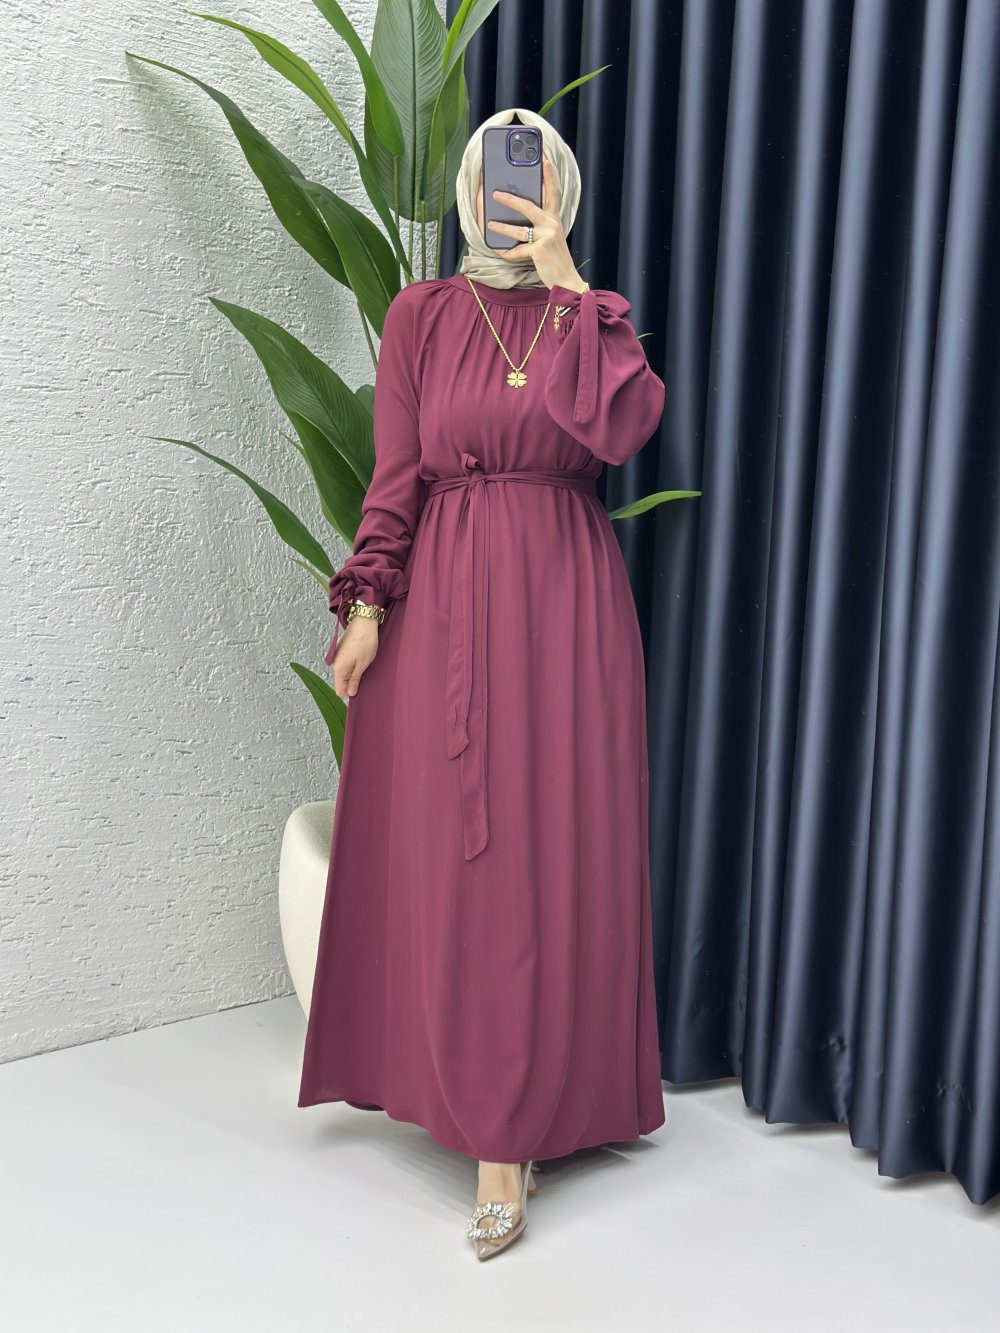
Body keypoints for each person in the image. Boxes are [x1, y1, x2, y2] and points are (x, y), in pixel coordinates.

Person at [297, 106, 667, 1260]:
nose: (513, 191)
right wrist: (366, 606)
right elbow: (394, 476)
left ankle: (541, 1109)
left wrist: (568, 284)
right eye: (500, 171)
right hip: (443, 611)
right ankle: (482, 1117)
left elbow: (621, 429)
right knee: (469, 858)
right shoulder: (420, 315)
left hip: (565, 606)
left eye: (534, 171)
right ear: (469, 189)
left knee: (553, 852)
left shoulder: (589, 316)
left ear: (559, 188)